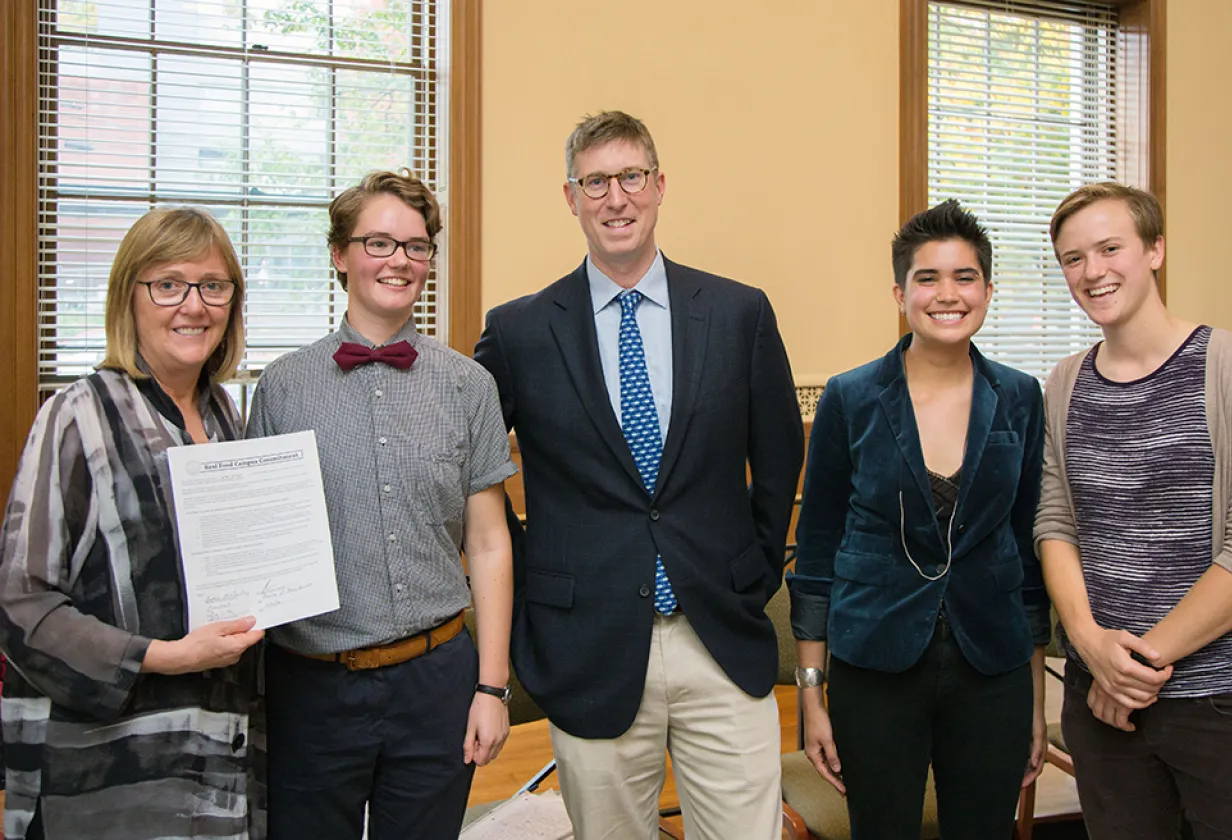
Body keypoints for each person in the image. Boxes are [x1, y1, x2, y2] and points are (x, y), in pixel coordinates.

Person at [474, 110, 804, 838]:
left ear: (659, 186)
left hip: (716, 630)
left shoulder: (737, 312)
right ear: (570, 197)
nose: (615, 198)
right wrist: (534, 575)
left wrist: (751, 572)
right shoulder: (520, 331)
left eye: (630, 178)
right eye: (595, 182)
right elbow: (468, 466)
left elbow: (780, 457)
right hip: (588, 641)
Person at [247, 170, 516, 840]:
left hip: (437, 681)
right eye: (378, 242)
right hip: (312, 686)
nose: (399, 260)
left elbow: (487, 544)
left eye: (416, 246)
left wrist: (492, 687)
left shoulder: (469, 385)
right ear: (340, 255)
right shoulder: (281, 388)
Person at [0, 207, 265, 839]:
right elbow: (20, 603)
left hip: (222, 751)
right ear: (130, 297)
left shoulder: (224, 413)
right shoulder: (76, 415)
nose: (193, 306)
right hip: (114, 769)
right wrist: (163, 657)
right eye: (168, 284)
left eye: (213, 286)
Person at [789, 200, 1050, 839]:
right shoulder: (851, 398)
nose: (947, 294)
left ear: (988, 289)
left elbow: (1028, 549)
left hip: (993, 667)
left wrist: (1036, 702)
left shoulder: (1018, 395)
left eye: (964, 277)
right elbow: (816, 551)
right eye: (928, 279)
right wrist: (811, 691)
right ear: (900, 293)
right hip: (875, 665)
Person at [1036, 182, 1232, 840]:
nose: (1092, 271)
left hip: (1226, 702)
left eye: (1110, 248)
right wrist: (1090, 645)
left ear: (1155, 251)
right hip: (1104, 707)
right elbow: (1055, 524)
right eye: (1072, 259)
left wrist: (1136, 669)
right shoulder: (1063, 383)